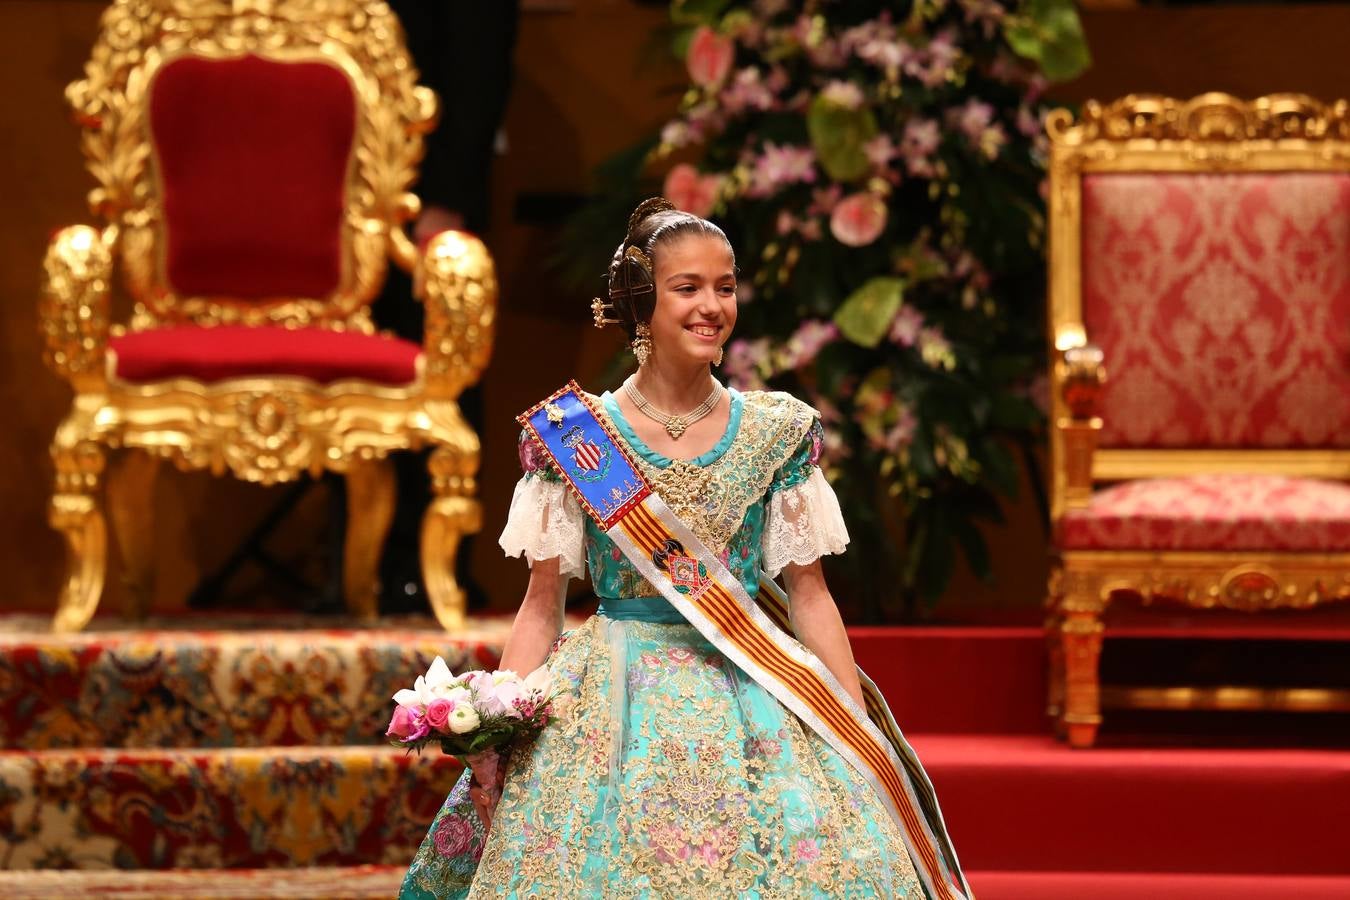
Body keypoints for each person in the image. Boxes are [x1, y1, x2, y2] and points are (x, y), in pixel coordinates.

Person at [399, 199, 967, 899]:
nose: (712, 307)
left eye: (725, 287)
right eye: (688, 288)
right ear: (642, 302)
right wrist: (495, 725)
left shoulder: (776, 431)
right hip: (607, 698)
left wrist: (855, 735)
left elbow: (812, 595)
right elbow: (541, 608)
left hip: (749, 682)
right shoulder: (575, 434)